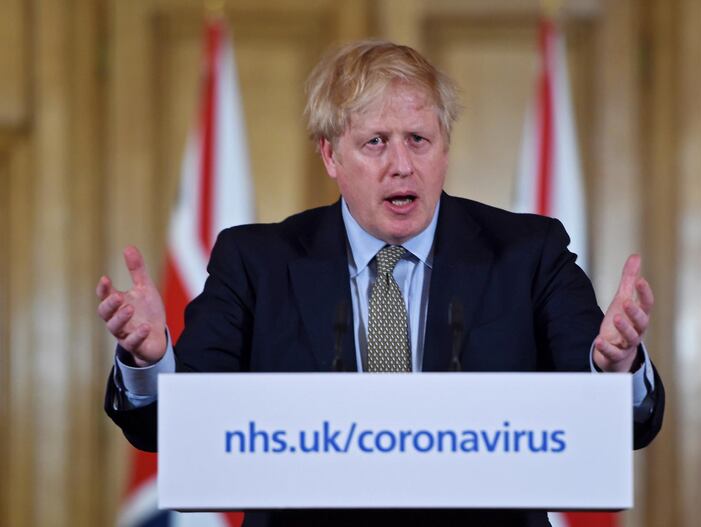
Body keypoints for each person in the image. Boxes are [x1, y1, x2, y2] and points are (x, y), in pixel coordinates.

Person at [98, 40, 664, 527]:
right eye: (376, 142)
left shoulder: (528, 254)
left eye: (419, 139)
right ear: (330, 155)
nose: (401, 165)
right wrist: (151, 365)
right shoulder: (256, 263)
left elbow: (616, 424)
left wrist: (614, 373)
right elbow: (176, 432)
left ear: (445, 148)